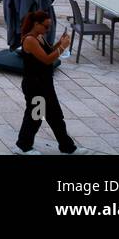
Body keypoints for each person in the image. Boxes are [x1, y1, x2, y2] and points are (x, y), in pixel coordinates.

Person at [15, 10, 81, 155]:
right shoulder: (30, 40)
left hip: (44, 83)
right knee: (35, 117)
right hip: (35, 85)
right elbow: (46, 59)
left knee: (55, 116)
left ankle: (67, 147)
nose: (48, 30)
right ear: (36, 24)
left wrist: (59, 43)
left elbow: (49, 51)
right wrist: (63, 47)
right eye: (45, 26)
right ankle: (23, 146)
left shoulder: (39, 37)